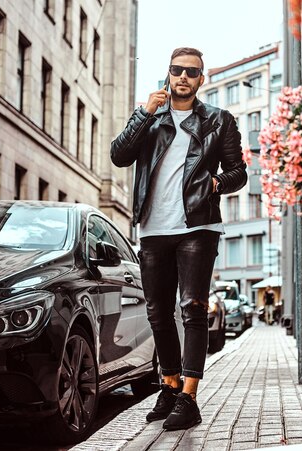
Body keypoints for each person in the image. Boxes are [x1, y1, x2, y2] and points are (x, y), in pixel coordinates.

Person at [110, 47, 247, 431]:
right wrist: (142, 115)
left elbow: (239, 172)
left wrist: (215, 184)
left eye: (192, 72)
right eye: (177, 70)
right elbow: (119, 156)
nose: (183, 77)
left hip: (198, 226)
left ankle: (189, 397)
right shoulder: (151, 119)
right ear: (168, 74)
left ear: (202, 78)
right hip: (153, 227)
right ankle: (168, 386)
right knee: (157, 311)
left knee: (192, 307)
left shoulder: (219, 120)